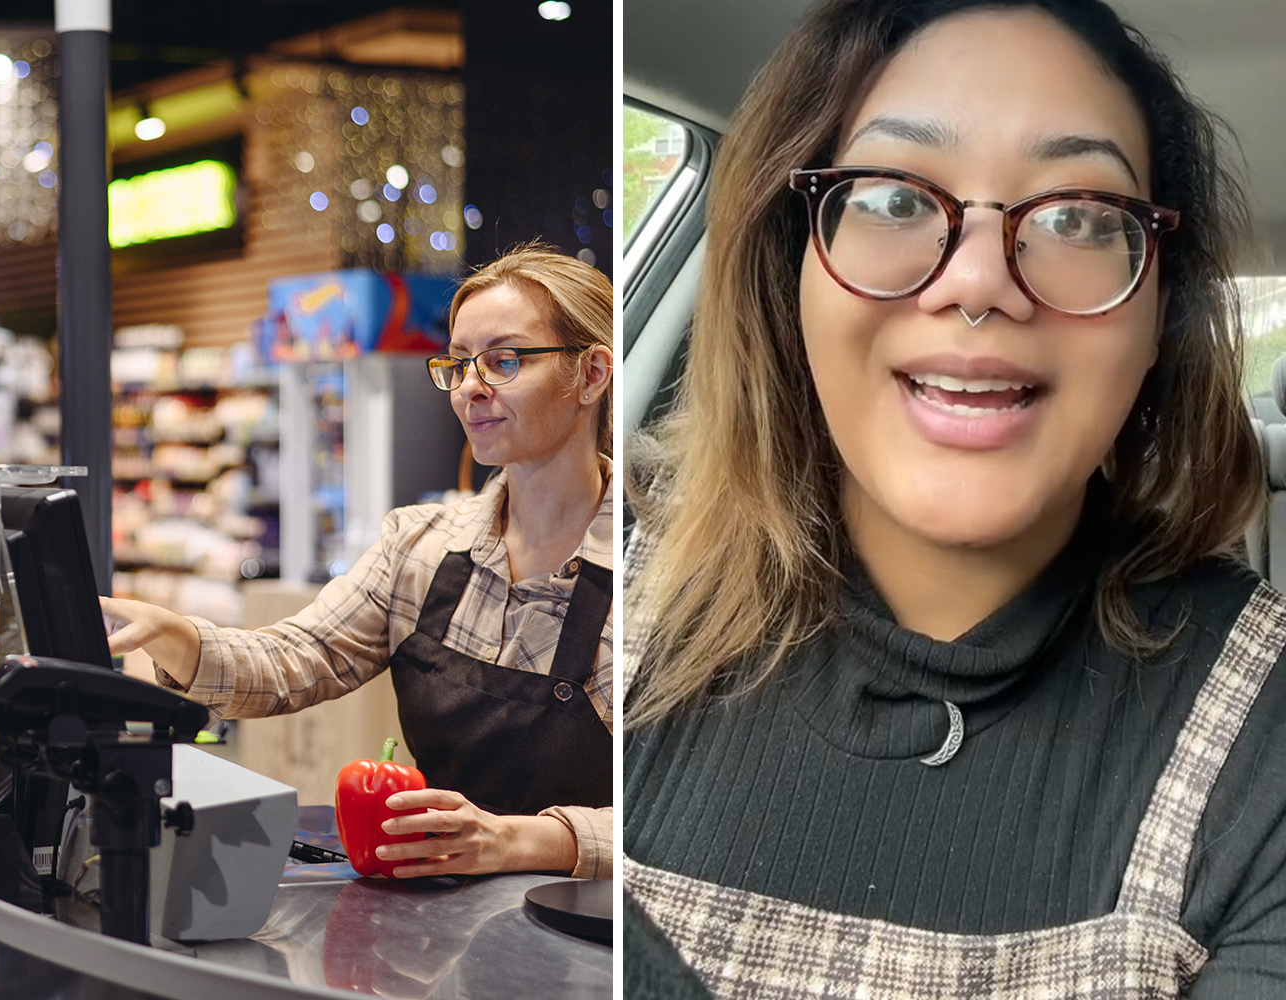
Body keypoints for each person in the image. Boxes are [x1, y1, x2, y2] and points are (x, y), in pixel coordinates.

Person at [622, 0, 1286, 995]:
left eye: (1076, 216)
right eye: (891, 198)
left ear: (1158, 317)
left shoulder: (1265, 736)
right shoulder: (603, 596)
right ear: (786, 270)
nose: (977, 284)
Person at [103, 245, 616, 880]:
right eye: (458, 365)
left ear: (591, 375)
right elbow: (294, 661)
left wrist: (519, 841)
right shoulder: (419, 546)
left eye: (504, 360)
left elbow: (666, 820)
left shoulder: (650, 571)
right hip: (440, 923)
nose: (471, 389)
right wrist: (170, 633)